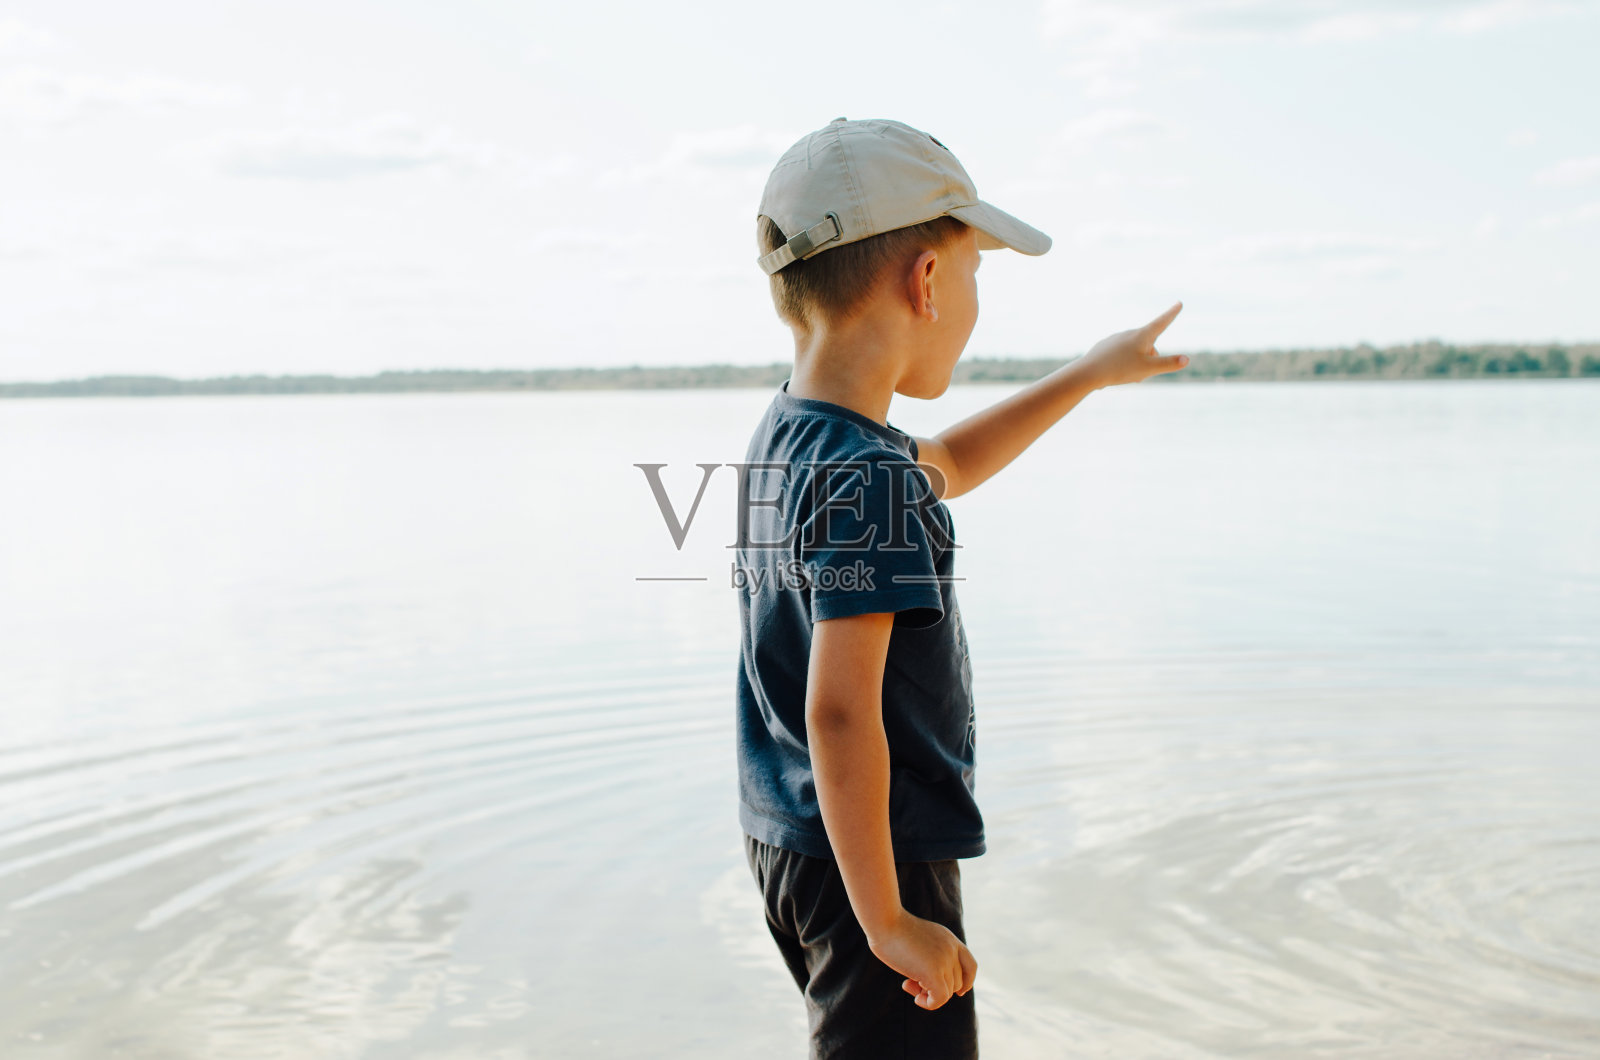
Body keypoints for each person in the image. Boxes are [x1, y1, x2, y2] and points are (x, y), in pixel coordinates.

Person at [735, 116, 1187, 1059]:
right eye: (977, 271)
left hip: (796, 841)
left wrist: (1091, 375)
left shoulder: (798, 435)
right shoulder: (867, 479)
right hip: (874, 859)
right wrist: (890, 920)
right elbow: (841, 714)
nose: (979, 299)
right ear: (927, 281)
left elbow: (951, 460)